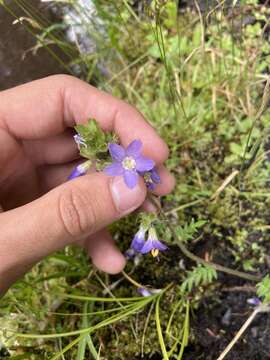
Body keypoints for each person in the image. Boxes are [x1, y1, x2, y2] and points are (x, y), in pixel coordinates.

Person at [0, 75, 174, 295]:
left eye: (130, 161)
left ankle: (156, 237)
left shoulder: (125, 157)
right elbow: (112, 167)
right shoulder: (114, 162)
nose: (129, 162)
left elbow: (138, 159)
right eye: (127, 161)